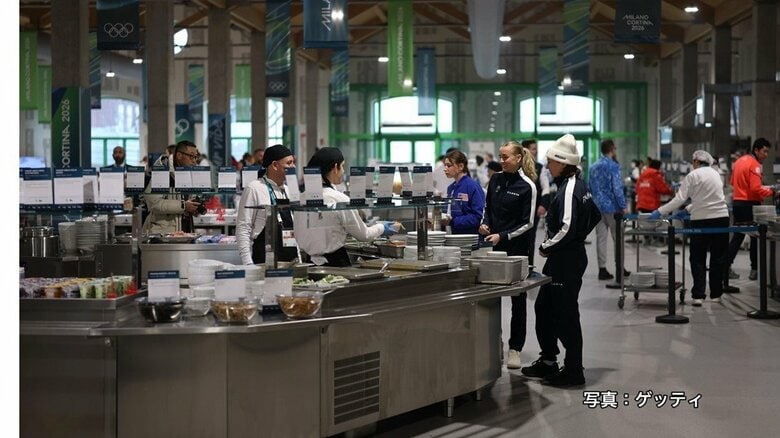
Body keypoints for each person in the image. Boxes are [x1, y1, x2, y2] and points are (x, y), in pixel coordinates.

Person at [521, 133, 600, 387]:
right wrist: (576, 237)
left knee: (565, 314)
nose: (547, 165)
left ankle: (574, 370)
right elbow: (594, 215)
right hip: (564, 257)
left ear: (564, 163)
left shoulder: (570, 188)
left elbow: (567, 227)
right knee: (544, 307)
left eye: (551, 161)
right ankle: (548, 361)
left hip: (565, 259)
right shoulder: (578, 184)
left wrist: (545, 246)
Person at [480, 140, 537, 370]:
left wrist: (502, 236)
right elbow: (488, 208)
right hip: (492, 246)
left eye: (506, 157)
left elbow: (528, 223)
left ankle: (515, 348)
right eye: (500, 157)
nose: (502, 161)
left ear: (518, 158)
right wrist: (484, 224)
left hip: (516, 249)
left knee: (517, 300)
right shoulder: (495, 180)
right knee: (491, 297)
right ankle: (495, 341)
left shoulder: (527, 186)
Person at [649, 150, 730, 306]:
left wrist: (660, 211)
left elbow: (679, 199)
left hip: (701, 220)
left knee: (698, 257)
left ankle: (698, 295)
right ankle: (716, 294)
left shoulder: (692, 175)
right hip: (721, 218)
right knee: (718, 257)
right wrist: (688, 210)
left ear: (695, 161)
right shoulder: (716, 174)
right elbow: (710, 199)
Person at [294, 147, 399, 267]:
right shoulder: (340, 199)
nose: (343, 171)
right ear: (335, 167)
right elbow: (364, 235)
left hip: (308, 263)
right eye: (342, 166)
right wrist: (382, 227)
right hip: (335, 262)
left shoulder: (301, 198)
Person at [236, 144, 297, 265]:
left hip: (290, 260)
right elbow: (243, 228)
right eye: (289, 163)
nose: (293, 166)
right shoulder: (254, 188)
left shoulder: (289, 190)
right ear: (274, 165)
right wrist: (248, 264)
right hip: (263, 262)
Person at [726, 138, 778, 281]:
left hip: (737, 203)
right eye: (764, 151)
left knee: (738, 236)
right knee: (756, 237)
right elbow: (755, 188)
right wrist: (773, 192)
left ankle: (726, 266)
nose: (766, 155)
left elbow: (731, 182)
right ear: (756, 150)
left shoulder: (739, 161)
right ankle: (755, 269)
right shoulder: (755, 165)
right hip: (750, 204)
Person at [588, 139, 630, 280]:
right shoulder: (613, 166)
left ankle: (602, 269)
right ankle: (620, 267)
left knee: (601, 239)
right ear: (612, 149)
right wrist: (623, 206)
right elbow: (617, 188)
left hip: (597, 207)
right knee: (618, 239)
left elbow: (590, 187)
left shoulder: (593, 167)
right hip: (613, 208)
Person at [141, 140, 203, 233]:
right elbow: (154, 204)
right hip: (162, 234)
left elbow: (187, 201)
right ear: (179, 155)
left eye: (195, 157)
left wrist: (194, 208)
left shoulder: (187, 173)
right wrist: (184, 206)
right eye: (191, 156)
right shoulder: (162, 171)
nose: (194, 161)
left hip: (184, 231)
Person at [440, 149, 485, 235]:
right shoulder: (451, 188)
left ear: (460, 166)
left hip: (468, 237)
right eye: (444, 165)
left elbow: (478, 217)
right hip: (451, 235)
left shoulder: (472, 186)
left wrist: (453, 221)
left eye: (449, 165)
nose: (445, 169)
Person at [522, 139, 551, 267]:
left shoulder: (540, 168)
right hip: (518, 209)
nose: (536, 151)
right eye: (533, 148)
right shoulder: (517, 167)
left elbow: (545, 188)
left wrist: (543, 205)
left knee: (530, 238)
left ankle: (529, 267)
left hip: (534, 209)